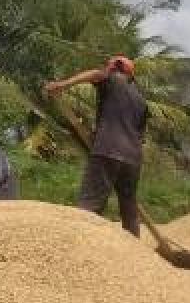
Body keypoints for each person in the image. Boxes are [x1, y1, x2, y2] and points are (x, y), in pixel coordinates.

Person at [44, 55, 147, 236]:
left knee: (90, 205)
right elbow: (139, 134)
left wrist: (62, 85)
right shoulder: (141, 101)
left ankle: (83, 245)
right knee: (129, 210)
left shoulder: (113, 79)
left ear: (114, 68)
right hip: (133, 160)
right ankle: (135, 253)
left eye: (108, 67)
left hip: (108, 150)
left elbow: (95, 74)